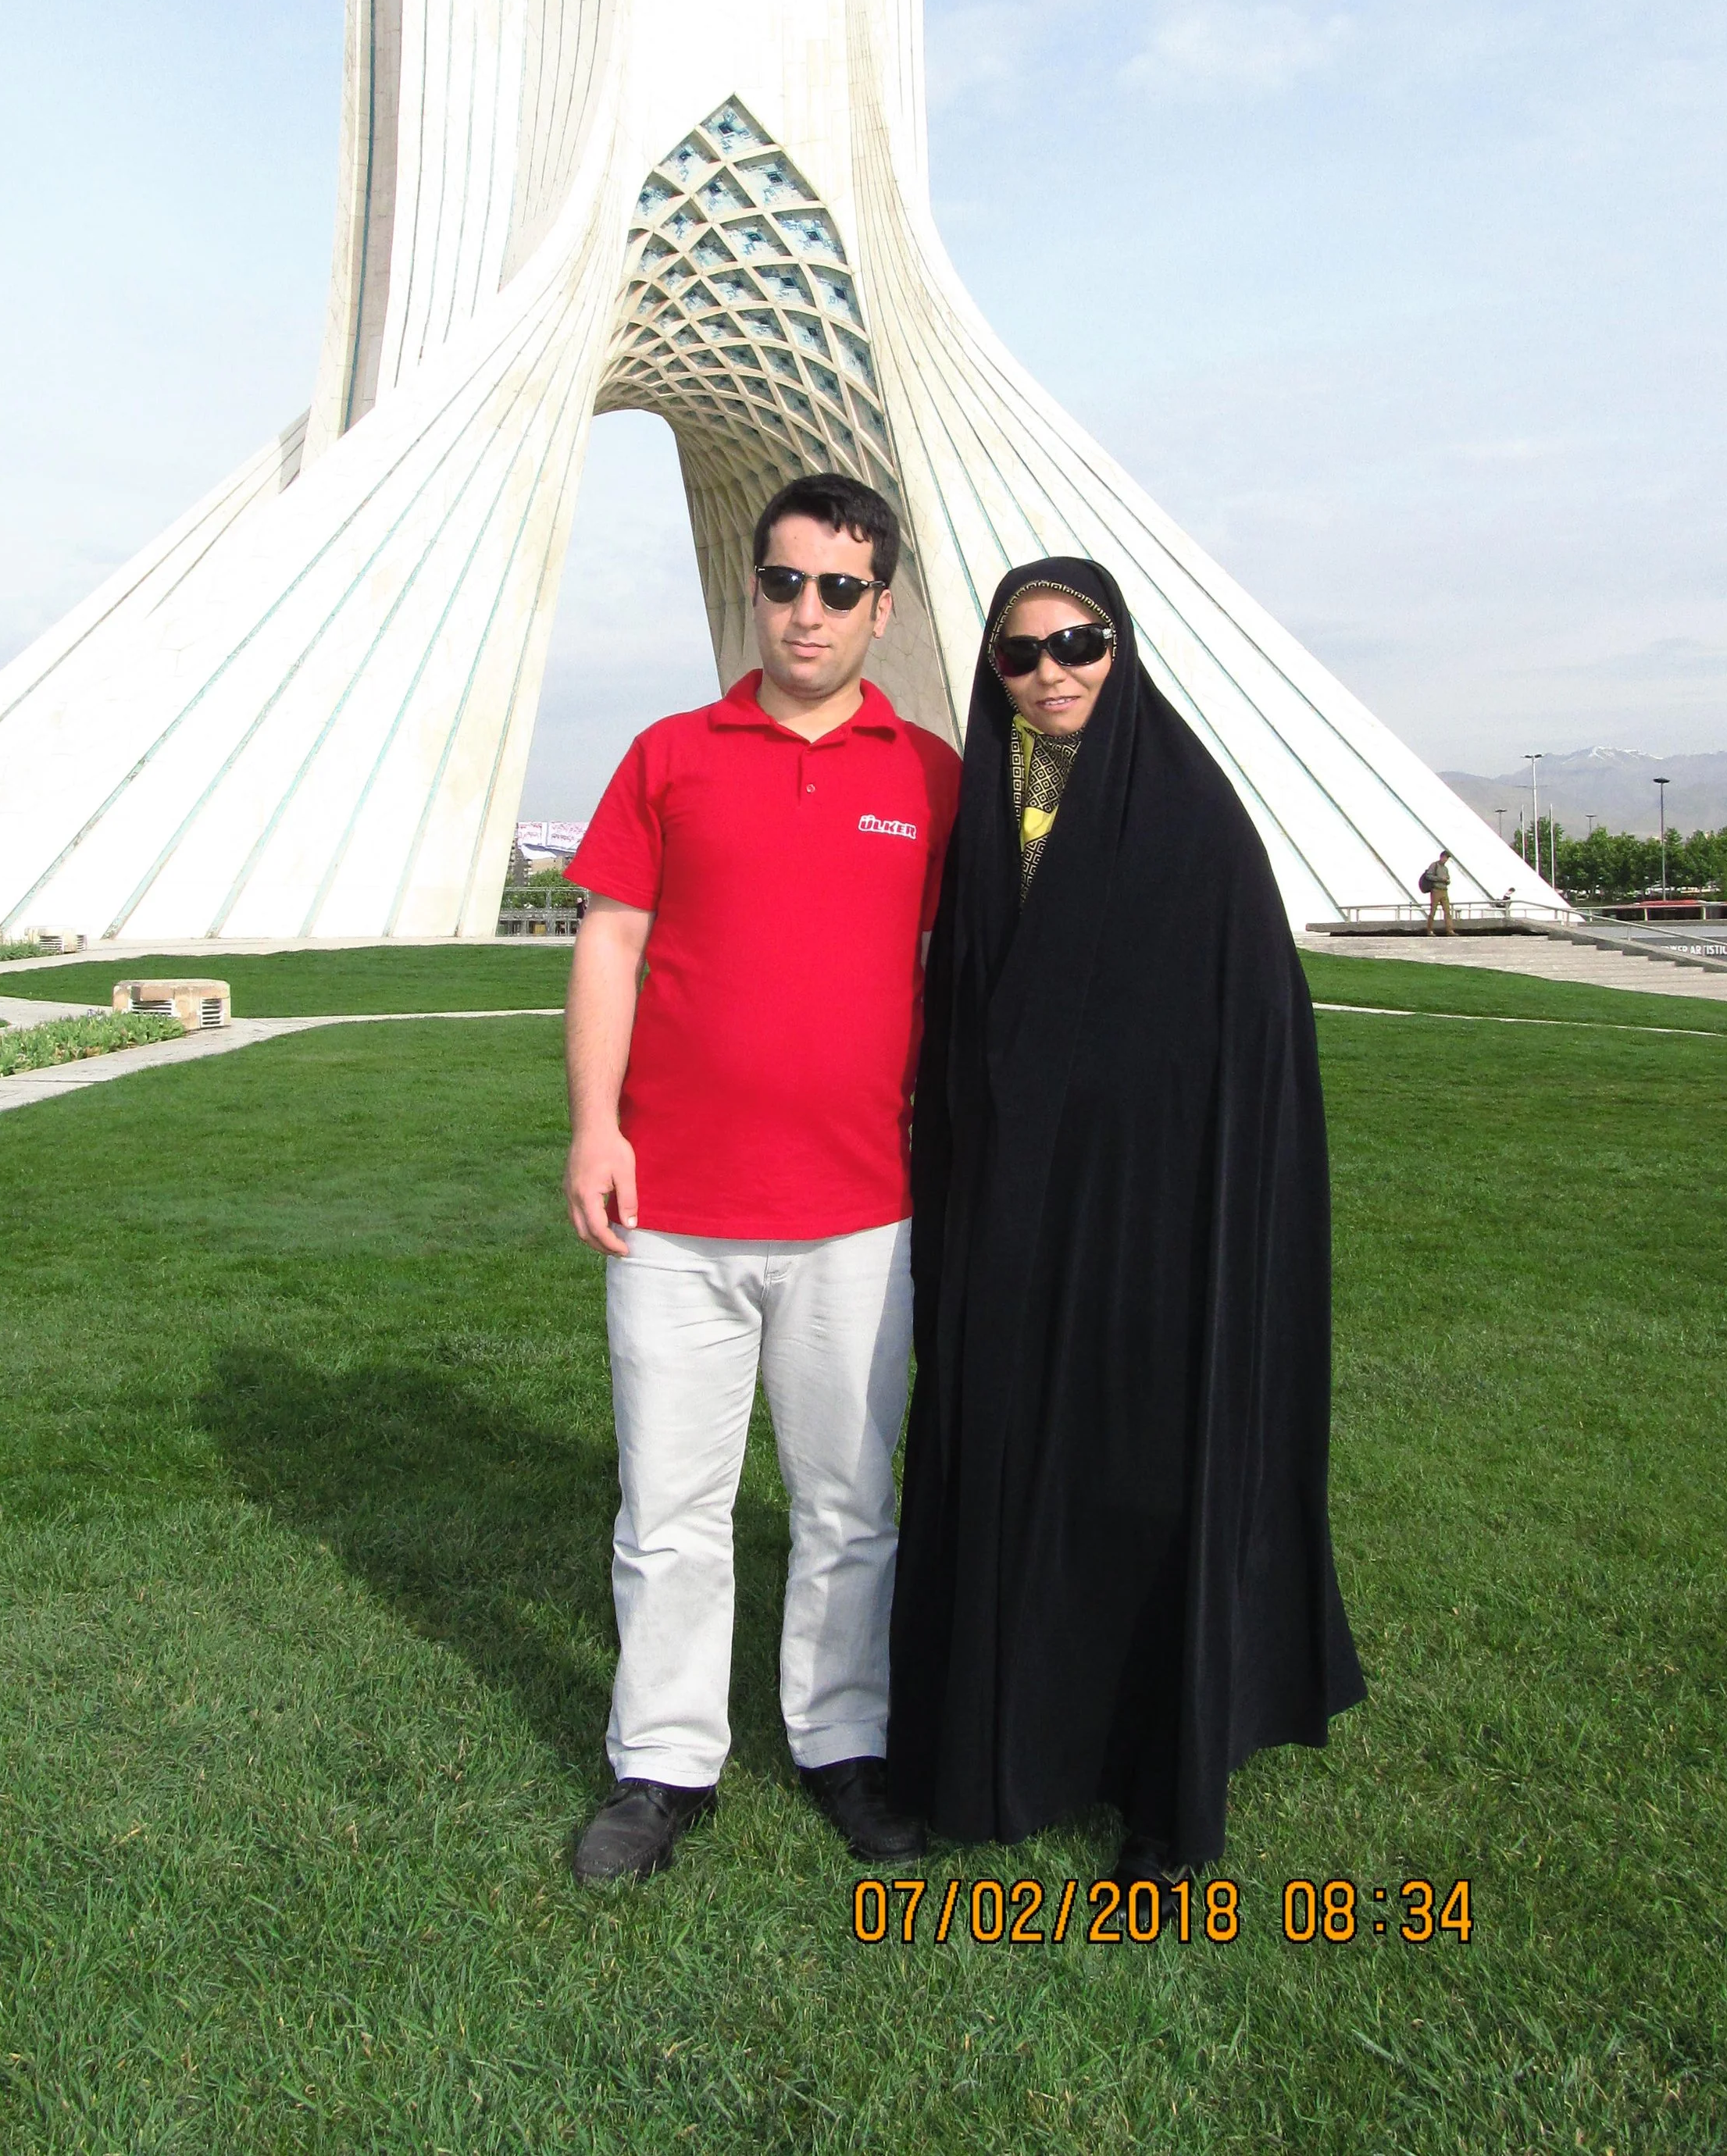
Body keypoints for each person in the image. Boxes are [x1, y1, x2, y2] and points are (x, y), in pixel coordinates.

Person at [888, 559, 1364, 1885]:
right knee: (1002, 1453)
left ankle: (1160, 1785)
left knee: (1141, 1480)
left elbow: (1246, 1038)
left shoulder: (1193, 819)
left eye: (1079, 642)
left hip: (1151, 1224)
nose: (1054, 671)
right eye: (1023, 653)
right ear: (994, 672)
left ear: (1121, 645)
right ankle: (998, 1743)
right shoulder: (990, 809)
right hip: (1007, 1214)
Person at [562, 472, 962, 1887]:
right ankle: (663, 1761)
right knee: (670, 1506)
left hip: (860, 1210)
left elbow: (968, 974)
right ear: (754, 589)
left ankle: (842, 1740)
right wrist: (594, 1126)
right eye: (785, 581)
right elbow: (611, 941)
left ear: (882, 606)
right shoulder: (672, 752)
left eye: (838, 589)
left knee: (850, 1503)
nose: (808, 610)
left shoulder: (928, 774)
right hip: (674, 1207)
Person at [1422, 850, 1454, 935]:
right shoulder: (1434, 865)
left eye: (1447, 859)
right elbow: (1428, 876)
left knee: (1447, 911)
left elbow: (1448, 878)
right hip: (1436, 890)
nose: (1446, 860)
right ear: (1441, 857)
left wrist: (1447, 881)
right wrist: (1440, 879)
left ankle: (1450, 930)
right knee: (1433, 911)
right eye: (1445, 858)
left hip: (1444, 890)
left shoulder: (1445, 868)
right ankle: (1429, 930)